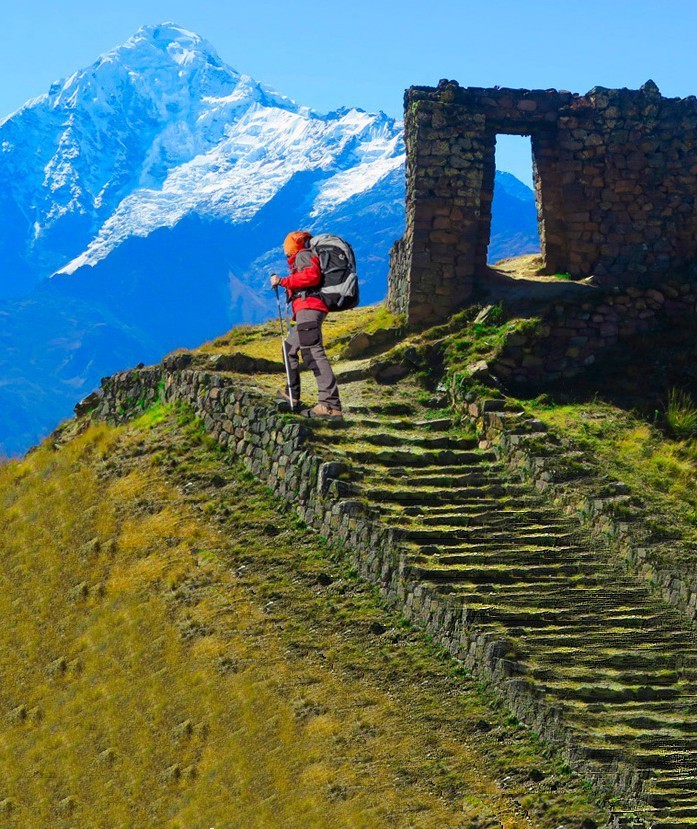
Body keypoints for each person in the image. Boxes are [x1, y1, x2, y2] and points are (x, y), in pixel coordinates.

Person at [270, 231, 343, 418]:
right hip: (306, 311)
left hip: (309, 308)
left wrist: (283, 281)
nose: (285, 251)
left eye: (286, 247)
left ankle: (329, 405)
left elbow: (312, 277)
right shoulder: (302, 257)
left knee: (313, 353)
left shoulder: (302, 255)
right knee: (289, 348)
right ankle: (292, 395)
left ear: (291, 247)